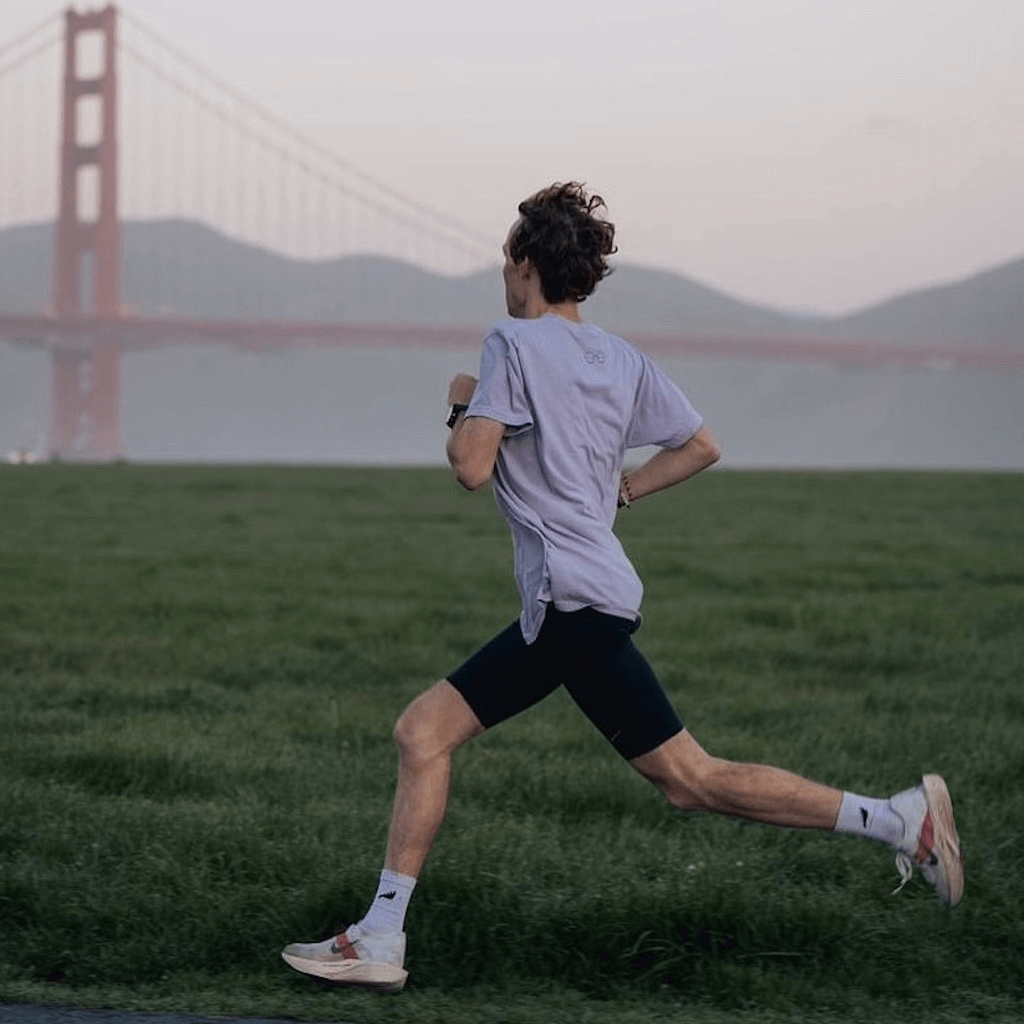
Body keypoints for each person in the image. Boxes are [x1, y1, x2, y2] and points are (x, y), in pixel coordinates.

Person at [281, 182, 963, 992]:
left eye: (508, 259)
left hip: (571, 606)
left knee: (651, 773)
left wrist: (461, 404)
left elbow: (470, 468)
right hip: (582, 602)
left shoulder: (512, 342)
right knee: (658, 776)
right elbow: (702, 446)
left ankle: (381, 937)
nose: (505, 274)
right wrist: (624, 492)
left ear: (525, 264)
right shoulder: (621, 358)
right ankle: (897, 819)